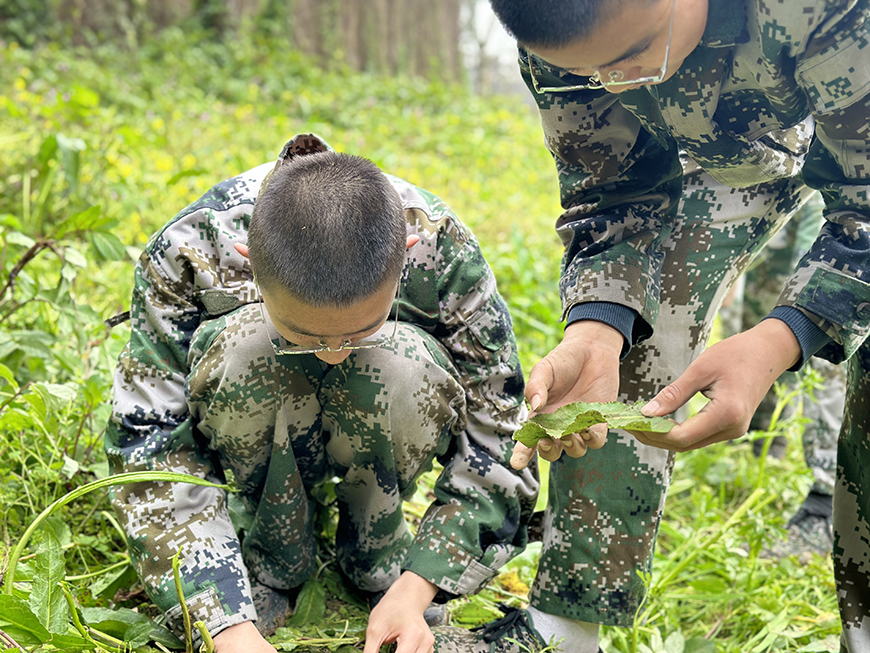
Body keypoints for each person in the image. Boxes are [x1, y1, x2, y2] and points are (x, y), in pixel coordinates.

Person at [442, 0, 869, 651]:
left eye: (638, 53)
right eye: (597, 73)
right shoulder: (562, 33)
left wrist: (783, 335)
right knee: (629, 334)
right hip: (722, 153)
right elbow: (611, 193)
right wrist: (597, 326)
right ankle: (567, 625)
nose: (625, 85)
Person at [104, 133, 539, 653]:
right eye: (307, 335)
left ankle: (377, 552)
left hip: (389, 416)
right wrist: (220, 622)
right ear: (248, 262)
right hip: (253, 418)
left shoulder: (441, 248)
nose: (333, 353)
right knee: (246, 350)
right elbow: (148, 444)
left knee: (400, 364)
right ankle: (271, 554)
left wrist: (420, 583)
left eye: (360, 328)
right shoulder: (192, 250)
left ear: (404, 255)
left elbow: (502, 439)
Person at [717, 192, 846, 559]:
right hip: (786, 151)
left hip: (846, 159)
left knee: (824, 296)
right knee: (771, 283)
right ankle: (759, 440)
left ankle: (828, 505)